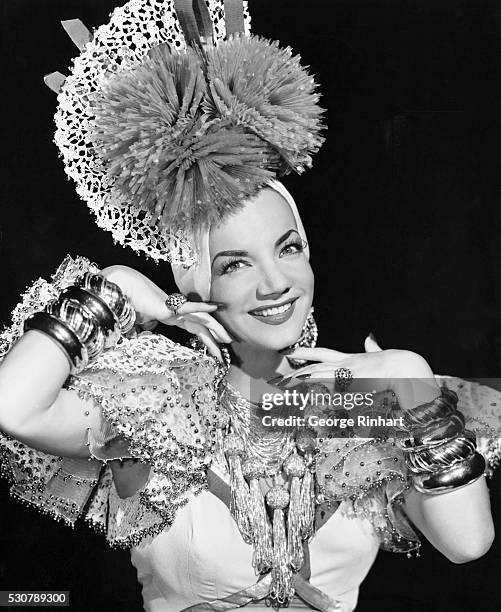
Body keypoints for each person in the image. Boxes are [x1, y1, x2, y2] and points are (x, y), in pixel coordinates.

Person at [0, 1, 499, 611]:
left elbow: (469, 544)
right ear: (196, 281)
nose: (274, 283)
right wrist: (116, 287)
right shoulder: (157, 403)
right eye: (235, 264)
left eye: (288, 250)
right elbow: (11, 406)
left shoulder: (365, 404)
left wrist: (413, 382)